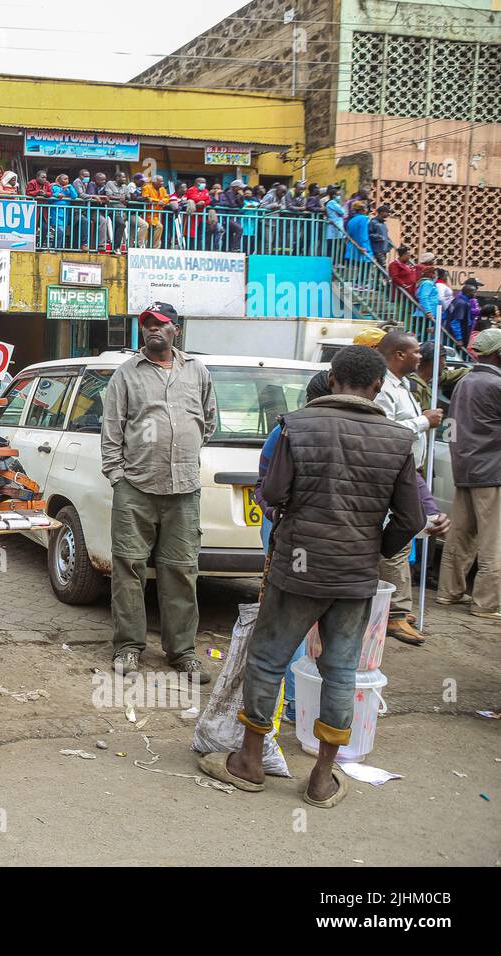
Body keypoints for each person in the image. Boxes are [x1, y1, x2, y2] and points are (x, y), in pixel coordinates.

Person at [203, 345, 425, 808]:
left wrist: (278, 519)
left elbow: (275, 492)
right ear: (378, 386)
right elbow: (410, 517)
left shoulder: (295, 426)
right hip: (355, 577)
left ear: (332, 378)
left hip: (297, 569)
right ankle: (322, 779)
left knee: (268, 661)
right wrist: (375, 550)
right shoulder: (399, 439)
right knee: (341, 671)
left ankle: (248, 763)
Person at [101, 302, 216, 682]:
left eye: (161, 324)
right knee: (128, 568)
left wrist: (182, 452)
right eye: (147, 324)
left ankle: (181, 652)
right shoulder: (126, 374)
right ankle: (129, 648)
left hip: (184, 489)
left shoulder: (197, 371)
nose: (153, 330)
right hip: (134, 488)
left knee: (181, 571)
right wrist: (118, 476)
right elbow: (112, 430)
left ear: (176, 330)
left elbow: (208, 422)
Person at [374, 331, 444, 646]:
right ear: (400, 354)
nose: (421, 357)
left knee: (405, 540)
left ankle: (396, 606)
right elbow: (383, 430)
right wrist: (422, 421)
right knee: (398, 539)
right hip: (390, 471)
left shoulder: (404, 386)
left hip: (407, 471)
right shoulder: (384, 387)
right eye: (416, 352)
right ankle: (393, 614)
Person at [437, 328, 501, 620]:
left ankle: (448, 592)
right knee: (493, 540)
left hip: (466, 469)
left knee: (460, 535)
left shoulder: (466, 381)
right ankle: (485, 603)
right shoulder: (495, 384)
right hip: (492, 472)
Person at [445, 280, 477, 348]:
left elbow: (445, 314)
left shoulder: (456, 300)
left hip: (451, 334)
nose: (475, 294)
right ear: (468, 293)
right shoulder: (462, 304)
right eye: (474, 292)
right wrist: (459, 339)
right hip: (457, 337)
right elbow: (455, 322)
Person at [141, 174, 169, 248]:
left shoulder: (162, 189)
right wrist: (158, 201)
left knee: (158, 228)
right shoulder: (146, 187)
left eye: (163, 181)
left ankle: (153, 247)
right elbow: (146, 198)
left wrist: (162, 201)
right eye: (160, 181)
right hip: (148, 214)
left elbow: (167, 198)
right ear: (154, 181)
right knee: (159, 227)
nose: (162, 183)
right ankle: (152, 247)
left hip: (158, 215)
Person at [323, 186, 345, 261]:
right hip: (335, 227)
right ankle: (333, 262)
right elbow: (342, 211)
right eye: (338, 195)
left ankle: (335, 262)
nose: (339, 196)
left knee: (336, 245)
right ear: (334, 195)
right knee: (333, 246)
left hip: (337, 226)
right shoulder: (332, 203)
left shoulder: (334, 203)